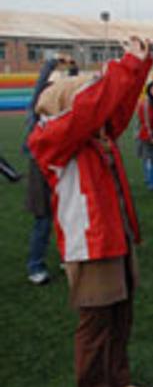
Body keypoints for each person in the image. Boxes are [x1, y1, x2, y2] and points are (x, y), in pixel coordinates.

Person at [28, 36, 153, 387]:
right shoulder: (51, 137)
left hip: (117, 237)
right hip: (89, 244)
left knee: (121, 316)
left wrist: (140, 66)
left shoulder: (97, 136)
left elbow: (117, 105)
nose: (93, 99)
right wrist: (125, 65)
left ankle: (118, 377)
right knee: (95, 322)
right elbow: (88, 111)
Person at [23, 54, 78, 285]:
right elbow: (39, 88)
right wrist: (51, 62)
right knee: (43, 222)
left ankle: (68, 257)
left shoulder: (64, 114)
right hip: (41, 173)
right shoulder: (37, 115)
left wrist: (74, 68)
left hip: (62, 171)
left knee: (67, 218)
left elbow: (73, 89)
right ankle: (35, 265)